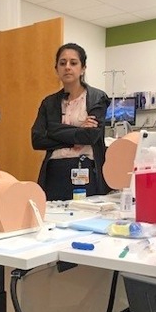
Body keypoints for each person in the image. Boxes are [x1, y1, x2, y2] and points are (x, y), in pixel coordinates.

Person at [31, 43, 110, 201]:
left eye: (73, 63)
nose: (67, 67)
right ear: (57, 69)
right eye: (62, 63)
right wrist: (79, 129)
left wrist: (55, 131)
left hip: (86, 170)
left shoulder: (97, 98)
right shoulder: (49, 103)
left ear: (83, 68)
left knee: (86, 218)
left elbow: (91, 136)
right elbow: (37, 140)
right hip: (55, 172)